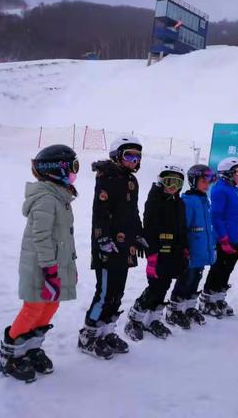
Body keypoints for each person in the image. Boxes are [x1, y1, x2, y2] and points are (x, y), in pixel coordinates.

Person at [0, 145, 79, 383]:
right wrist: (50, 269)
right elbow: (41, 237)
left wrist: (69, 267)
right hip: (40, 266)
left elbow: (64, 238)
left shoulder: (59, 195)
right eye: (73, 167)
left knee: (50, 306)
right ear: (57, 170)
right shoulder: (46, 198)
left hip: (55, 264)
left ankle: (31, 347)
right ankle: (11, 354)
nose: (76, 173)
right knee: (33, 308)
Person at [78, 136, 146, 359]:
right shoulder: (107, 178)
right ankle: (89, 335)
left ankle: (107, 331)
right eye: (129, 155)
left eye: (137, 156)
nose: (134, 160)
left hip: (126, 246)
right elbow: (101, 213)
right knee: (105, 292)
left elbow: (133, 212)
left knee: (118, 292)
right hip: (107, 246)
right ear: (117, 155)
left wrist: (139, 235)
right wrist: (103, 240)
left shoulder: (131, 181)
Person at [124, 165, 189, 340]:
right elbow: (150, 229)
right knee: (155, 287)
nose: (173, 186)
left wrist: (184, 249)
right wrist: (151, 255)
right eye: (169, 182)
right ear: (161, 182)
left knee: (165, 286)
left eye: (177, 183)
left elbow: (182, 229)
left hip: (173, 253)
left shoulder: (179, 203)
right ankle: (135, 318)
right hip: (158, 253)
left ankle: (153, 319)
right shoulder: (154, 201)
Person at [200, 158, 238, 317]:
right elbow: (216, 217)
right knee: (218, 270)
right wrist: (223, 239)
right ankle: (207, 301)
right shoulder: (219, 190)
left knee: (227, 271)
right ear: (228, 173)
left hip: (237, 239)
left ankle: (219, 298)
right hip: (225, 240)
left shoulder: (235, 189)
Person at [170, 165, 217, 326]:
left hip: (202, 252)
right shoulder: (188, 202)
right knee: (185, 281)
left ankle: (189, 307)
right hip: (191, 252)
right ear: (193, 181)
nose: (207, 184)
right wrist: (184, 249)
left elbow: (207, 228)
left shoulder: (205, 201)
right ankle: (175, 310)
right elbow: (183, 228)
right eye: (203, 181)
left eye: (209, 181)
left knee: (196, 279)